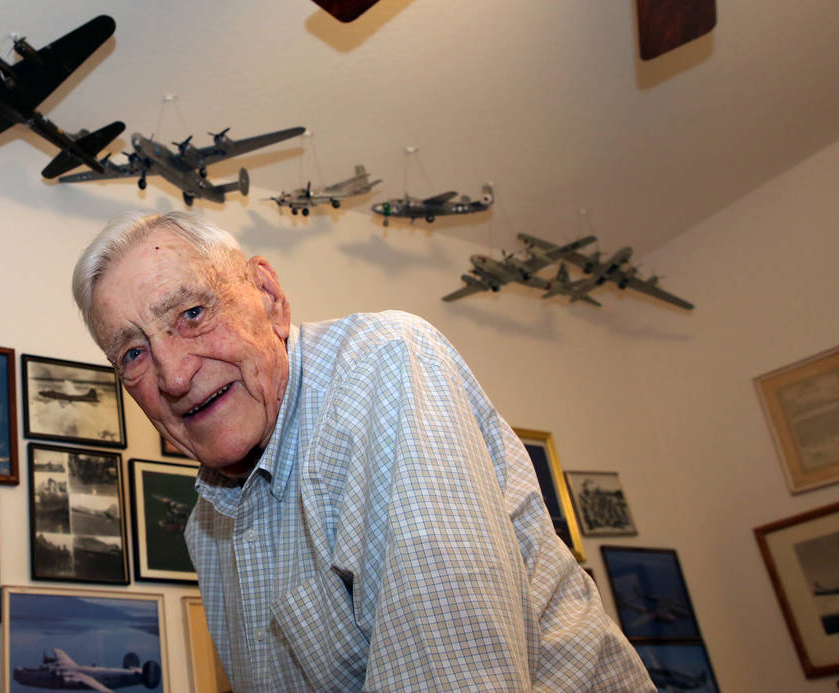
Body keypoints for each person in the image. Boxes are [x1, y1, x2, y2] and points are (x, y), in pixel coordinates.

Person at [73, 211, 653, 692]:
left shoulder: (381, 364)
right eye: (132, 355)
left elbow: (455, 677)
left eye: (192, 314)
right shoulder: (207, 526)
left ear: (269, 297)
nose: (172, 375)